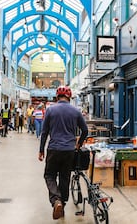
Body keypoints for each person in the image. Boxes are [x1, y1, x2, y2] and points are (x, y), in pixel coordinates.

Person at [38, 86, 88, 220]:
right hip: (69, 150)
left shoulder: (50, 110)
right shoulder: (76, 111)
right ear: (69, 96)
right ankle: (62, 205)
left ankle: (56, 201)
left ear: (57, 96)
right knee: (65, 177)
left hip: (54, 149)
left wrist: (41, 150)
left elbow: (44, 132)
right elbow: (85, 130)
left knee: (49, 175)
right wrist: (79, 144)